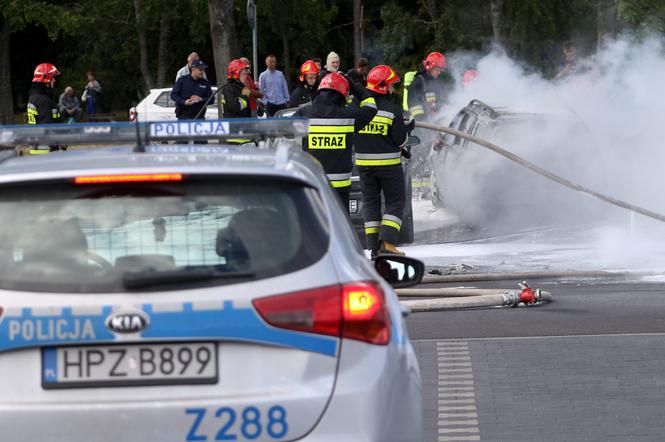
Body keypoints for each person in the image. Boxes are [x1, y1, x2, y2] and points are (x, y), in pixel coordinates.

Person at [294, 72, 377, 211]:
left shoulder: (305, 113)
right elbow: (371, 107)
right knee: (340, 229)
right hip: (340, 189)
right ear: (342, 94)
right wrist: (353, 85)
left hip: (313, 184)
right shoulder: (349, 115)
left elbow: (284, 133)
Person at [354, 65, 413, 257]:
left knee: (371, 204)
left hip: (364, 167)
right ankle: (387, 243)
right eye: (391, 86)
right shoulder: (392, 110)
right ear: (382, 87)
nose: (393, 90)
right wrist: (407, 128)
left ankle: (374, 248)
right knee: (395, 202)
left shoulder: (359, 108)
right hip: (388, 166)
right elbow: (401, 141)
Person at [27, 63, 62, 154]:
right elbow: (47, 126)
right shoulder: (44, 100)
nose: (54, 80)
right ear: (46, 80)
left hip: (36, 146)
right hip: (47, 149)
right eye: (53, 77)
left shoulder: (33, 97)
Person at [406, 52, 447, 120]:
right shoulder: (418, 82)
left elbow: (439, 101)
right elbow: (413, 105)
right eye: (437, 70)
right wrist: (423, 121)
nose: (439, 72)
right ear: (429, 67)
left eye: (440, 70)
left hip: (433, 122)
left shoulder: (436, 83)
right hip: (420, 124)